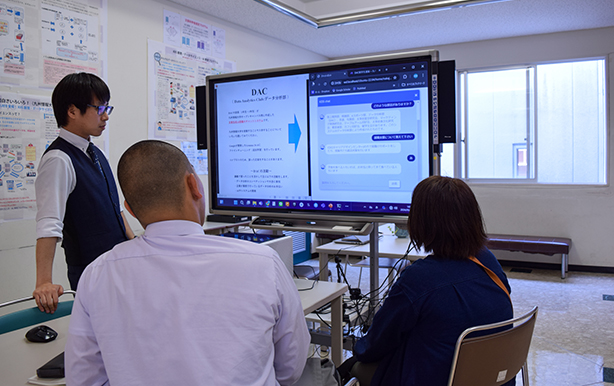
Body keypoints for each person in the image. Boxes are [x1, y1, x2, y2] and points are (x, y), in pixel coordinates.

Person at [65, 140, 310, 385]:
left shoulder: (96, 275)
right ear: (194, 185)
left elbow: (84, 378)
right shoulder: (263, 263)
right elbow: (290, 366)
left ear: (129, 208)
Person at [345, 175, 514, 386]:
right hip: (492, 376)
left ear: (421, 222)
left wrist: (357, 349)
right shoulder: (487, 260)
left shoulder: (418, 278)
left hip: (440, 378)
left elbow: (375, 344)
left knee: (352, 367)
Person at [33, 72, 134, 313]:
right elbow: (49, 223)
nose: (106, 116)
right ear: (72, 111)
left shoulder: (96, 153)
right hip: (91, 273)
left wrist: (136, 245)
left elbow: (115, 208)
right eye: (99, 109)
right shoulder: (58, 159)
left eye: (107, 108)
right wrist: (44, 282)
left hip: (119, 265)